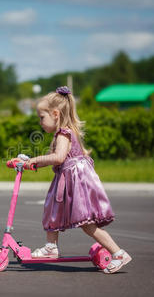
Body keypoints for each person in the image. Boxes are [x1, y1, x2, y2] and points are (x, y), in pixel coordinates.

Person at [14, 86, 132, 274]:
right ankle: (51, 246)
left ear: (55, 114)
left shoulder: (64, 133)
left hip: (75, 183)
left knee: (86, 224)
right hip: (67, 180)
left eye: (41, 117)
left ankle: (118, 253)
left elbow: (58, 158)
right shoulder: (61, 133)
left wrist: (34, 161)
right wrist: (29, 162)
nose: (40, 122)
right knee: (52, 209)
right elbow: (54, 158)